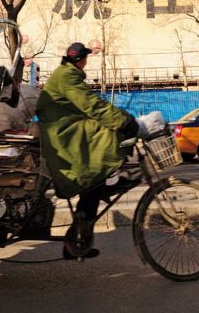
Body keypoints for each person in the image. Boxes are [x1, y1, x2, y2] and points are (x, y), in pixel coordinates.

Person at [36, 42, 139, 260]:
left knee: (92, 184)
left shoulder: (67, 73)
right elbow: (91, 105)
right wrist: (123, 121)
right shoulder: (68, 77)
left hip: (67, 126)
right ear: (82, 60)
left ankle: (77, 241)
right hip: (61, 132)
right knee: (107, 135)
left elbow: (91, 105)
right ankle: (111, 178)